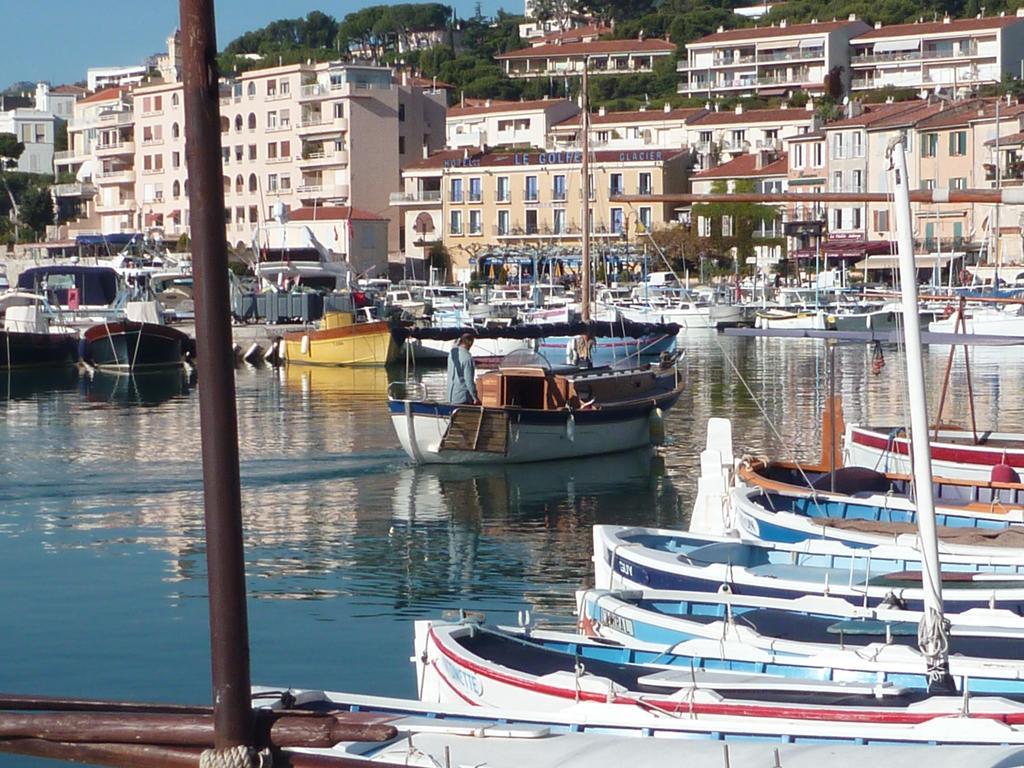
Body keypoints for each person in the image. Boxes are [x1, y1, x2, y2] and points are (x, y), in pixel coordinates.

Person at [446, 332, 479, 404]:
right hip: (462, 398)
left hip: (450, 396)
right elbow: (469, 381)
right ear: (470, 343)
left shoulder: (452, 353)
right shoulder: (468, 359)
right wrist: (475, 397)